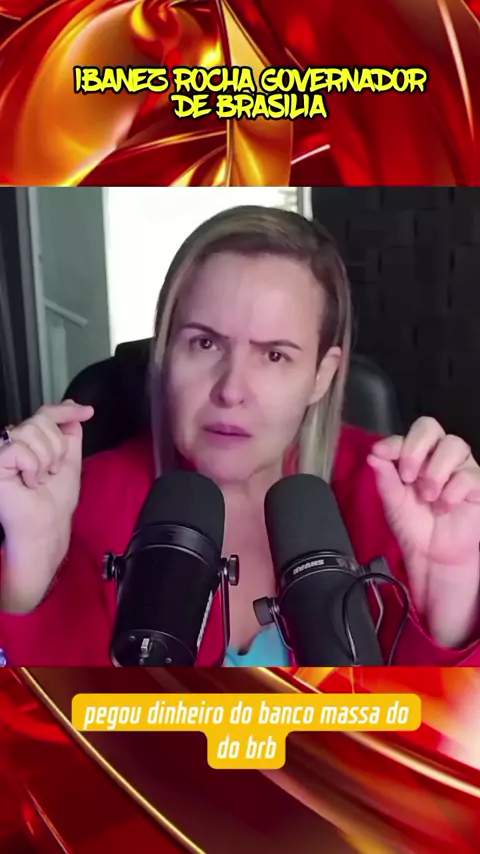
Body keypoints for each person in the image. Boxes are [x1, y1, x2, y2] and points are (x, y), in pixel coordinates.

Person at [0, 204, 480, 667]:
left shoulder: (404, 495)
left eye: (274, 355)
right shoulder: (84, 500)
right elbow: (53, 718)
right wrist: (29, 577)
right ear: (165, 353)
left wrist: (450, 603)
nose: (231, 390)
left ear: (321, 375)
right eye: (205, 342)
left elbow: (433, 721)